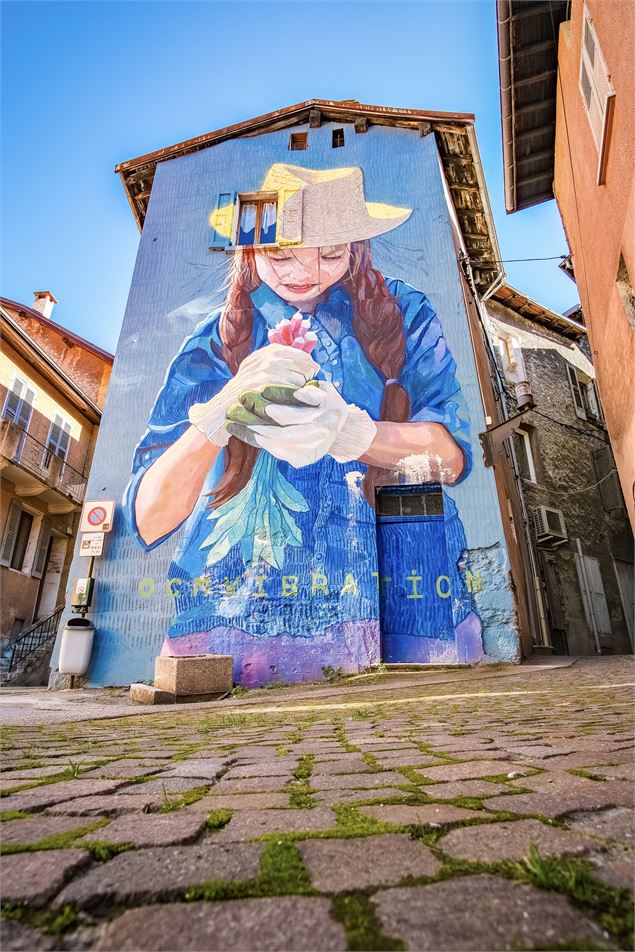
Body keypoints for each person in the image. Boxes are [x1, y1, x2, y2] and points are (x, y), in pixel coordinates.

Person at [123, 164, 482, 682]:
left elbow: (450, 459)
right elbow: (148, 518)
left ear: (356, 248)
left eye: (332, 253)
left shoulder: (405, 314)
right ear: (251, 250)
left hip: (409, 594)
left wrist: (356, 434)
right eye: (281, 253)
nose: (305, 272)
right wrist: (216, 417)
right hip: (231, 617)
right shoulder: (210, 344)